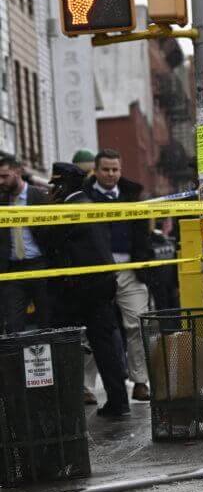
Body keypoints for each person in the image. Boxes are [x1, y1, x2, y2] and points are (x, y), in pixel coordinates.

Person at [40, 163, 130, 418]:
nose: (53, 191)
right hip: (101, 284)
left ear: (63, 186)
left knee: (62, 342)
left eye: (56, 186)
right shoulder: (89, 203)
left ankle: (63, 403)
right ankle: (118, 401)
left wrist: (46, 211)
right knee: (105, 347)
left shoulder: (68, 209)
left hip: (77, 289)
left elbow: (47, 239)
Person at [85, 149, 154, 402]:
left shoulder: (132, 196)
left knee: (137, 323)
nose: (111, 174)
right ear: (96, 170)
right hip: (95, 272)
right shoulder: (84, 197)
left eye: (115, 169)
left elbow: (143, 235)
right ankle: (86, 387)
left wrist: (144, 264)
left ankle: (140, 382)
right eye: (106, 169)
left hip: (130, 271)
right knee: (92, 328)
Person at [0, 154, 53, 333]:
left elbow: (52, 234)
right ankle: (18, 361)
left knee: (48, 322)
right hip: (13, 270)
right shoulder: (2, 201)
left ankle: (49, 360)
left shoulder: (39, 197)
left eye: (4, 176)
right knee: (13, 326)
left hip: (40, 266)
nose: (1, 181)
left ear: (18, 172)